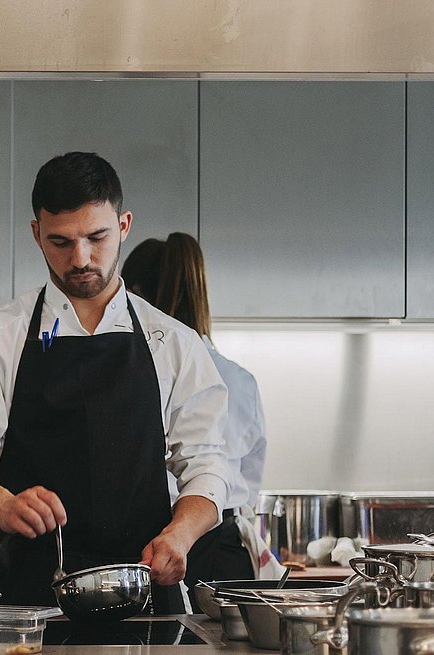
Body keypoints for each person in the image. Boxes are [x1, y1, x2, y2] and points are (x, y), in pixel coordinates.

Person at [0, 152, 234, 612]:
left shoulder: (174, 342)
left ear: (124, 225)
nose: (81, 259)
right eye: (60, 242)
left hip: (145, 589)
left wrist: (181, 534)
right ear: (36, 233)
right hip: (28, 595)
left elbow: (208, 467)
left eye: (97, 237)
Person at [121, 232, 285, 599]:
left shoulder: (139, 376)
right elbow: (247, 483)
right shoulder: (241, 380)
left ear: (136, 296)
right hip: (226, 556)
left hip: (157, 552)